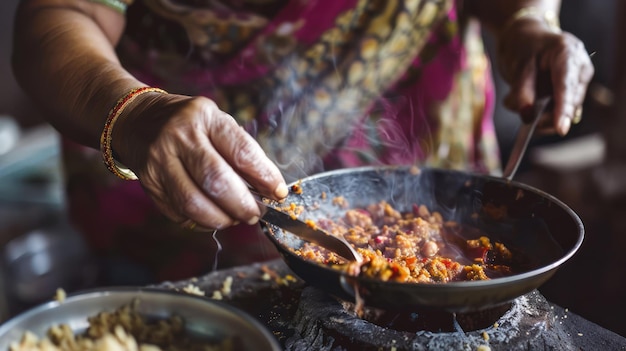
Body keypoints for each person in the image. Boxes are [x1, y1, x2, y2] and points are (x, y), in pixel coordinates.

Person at [11, 0, 593, 284]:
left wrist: (528, 21)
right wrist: (135, 113)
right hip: (175, 168)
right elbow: (61, 13)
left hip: (427, 133)